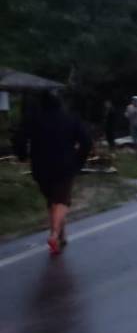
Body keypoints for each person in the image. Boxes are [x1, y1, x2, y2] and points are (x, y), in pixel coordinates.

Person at [13, 91, 92, 256]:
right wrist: (79, 160)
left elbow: (19, 138)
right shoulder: (71, 119)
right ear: (60, 103)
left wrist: (22, 155)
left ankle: (62, 235)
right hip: (65, 165)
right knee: (62, 200)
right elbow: (86, 141)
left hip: (40, 167)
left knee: (52, 200)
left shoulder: (33, 119)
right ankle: (54, 235)